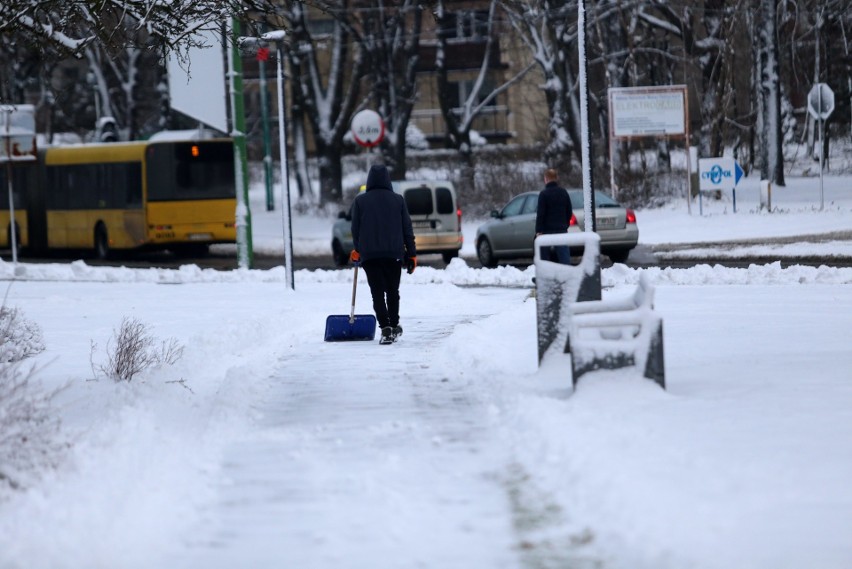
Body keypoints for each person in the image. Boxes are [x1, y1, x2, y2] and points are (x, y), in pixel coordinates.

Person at [350, 164, 417, 345]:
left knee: (377, 293)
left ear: (369, 179)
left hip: (370, 256)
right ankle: (394, 325)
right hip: (393, 255)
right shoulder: (398, 200)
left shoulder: (360, 201)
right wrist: (411, 254)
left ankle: (385, 328)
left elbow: (355, 229)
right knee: (392, 291)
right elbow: (407, 230)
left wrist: (358, 248)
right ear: (387, 179)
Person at [535, 167, 573, 264]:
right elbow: (569, 210)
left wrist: (539, 230)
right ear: (557, 178)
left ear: (546, 179)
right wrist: (565, 224)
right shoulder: (563, 192)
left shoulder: (543, 194)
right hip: (561, 229)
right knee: (563, 255)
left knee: (544, 256)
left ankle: (546, 275)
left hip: (546, 230)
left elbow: (541, 214)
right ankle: (566, 274)